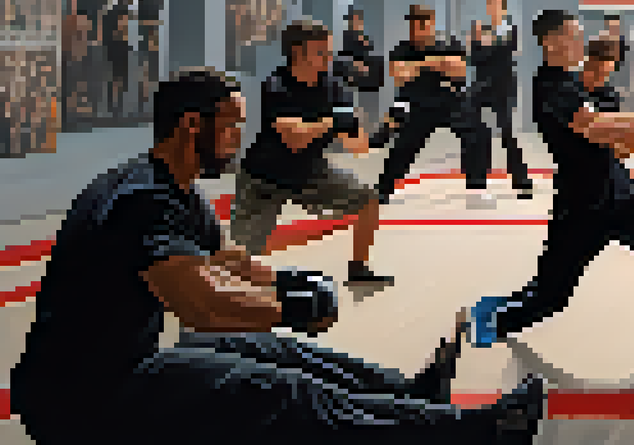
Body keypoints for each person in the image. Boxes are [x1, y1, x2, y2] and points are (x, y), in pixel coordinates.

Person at [9, 67, 546, 445]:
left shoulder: (177, 187)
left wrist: (290, 282)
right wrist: (293, 309)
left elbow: (233, 262)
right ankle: (475, 434)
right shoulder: (142, 199)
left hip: (122, 369)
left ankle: (410, 394)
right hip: (83, 401)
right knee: (282, 396)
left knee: (271, 351)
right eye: (230, 125)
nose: (238, 138)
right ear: (192, 126)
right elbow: (201, 306)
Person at [471, 11, 634, 373]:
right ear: (552, 41)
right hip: (580, 204)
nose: (580, 42)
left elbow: (617, 147)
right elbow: (591, 128)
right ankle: (491, 317)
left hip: (620, 193)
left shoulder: (576, 85)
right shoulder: (549, 86)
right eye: (574, 36)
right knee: (550, 298)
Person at [232, 20, 391, 285]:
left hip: (311, 172)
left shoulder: (334, 88)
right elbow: (293, 138)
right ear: (297, 52)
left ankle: (358, 269)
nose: (328, 59)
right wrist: (332, 122)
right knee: (237, 257)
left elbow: (356, 145)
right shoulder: (276, 84)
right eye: (321, 53)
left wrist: (383, 132)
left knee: (368, 200)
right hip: (264, 177)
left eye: (329, 52)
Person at [378, 4, 494, 208]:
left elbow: (458, 71)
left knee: (478, 133)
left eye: (423, 22)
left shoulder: (450, 43)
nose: (419, 28)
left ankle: (476, 189)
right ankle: (382, 190)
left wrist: (417, 64)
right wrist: (436, 63)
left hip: (451, 102)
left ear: (432, 23)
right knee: (404, 146)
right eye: (414, 23)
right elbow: (399, 75)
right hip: (417, 104)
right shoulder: (402, 49)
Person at [471, 0, 532, 199]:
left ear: (504, 8)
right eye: (488, 3)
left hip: (503, 88)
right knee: (478, 133)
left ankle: (521, 180)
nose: (491, 7)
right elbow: (475, 57)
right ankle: (477, 181)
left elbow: (508, 53)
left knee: (506, 132)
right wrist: (490, 46)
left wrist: (488, 45)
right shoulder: (479, 28)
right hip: (482, 87)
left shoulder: (512, 29)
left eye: (495, 4)